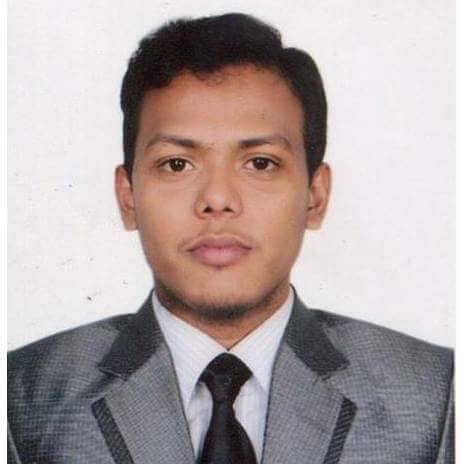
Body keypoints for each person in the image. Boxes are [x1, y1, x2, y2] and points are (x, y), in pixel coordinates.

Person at [7, 13, 453, 464]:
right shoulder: (21, 399)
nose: (217, 199)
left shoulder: (436, 394)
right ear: (128, 197)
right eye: (177, 164)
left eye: (260, 163)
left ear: (315, 196)